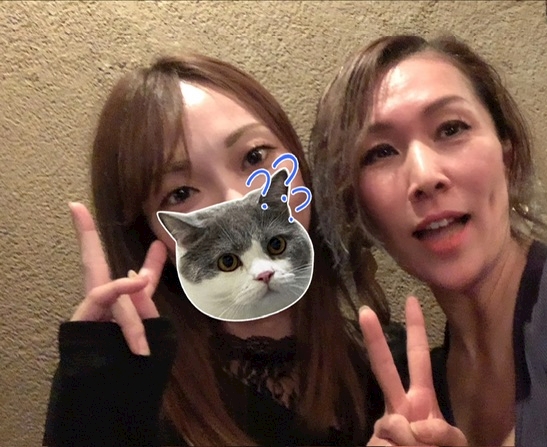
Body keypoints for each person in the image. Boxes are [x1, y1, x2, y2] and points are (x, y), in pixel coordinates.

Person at [43, 52, 410, 446]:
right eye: (181, 193)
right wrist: (94, 401)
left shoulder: (397, 368)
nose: (238, 201)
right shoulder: (130, 393)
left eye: (254, 157)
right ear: (151, 233)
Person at [309, 34, 547, 446]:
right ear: (362, 212)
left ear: (507, 156)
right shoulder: (404, 404)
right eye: (380, 152)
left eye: (451, 129)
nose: (425, 176)